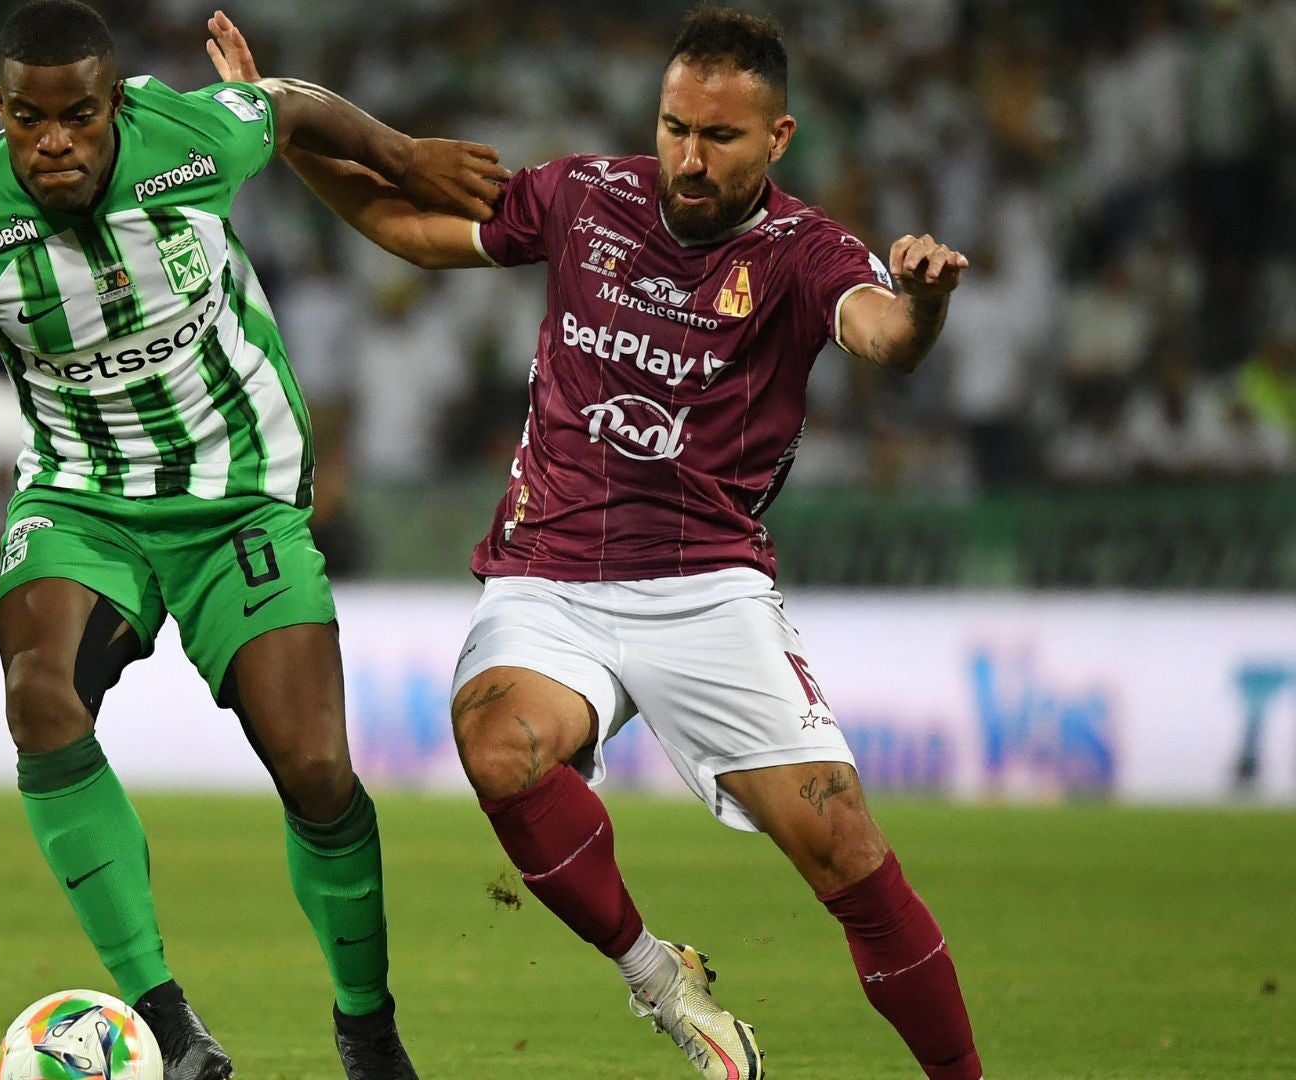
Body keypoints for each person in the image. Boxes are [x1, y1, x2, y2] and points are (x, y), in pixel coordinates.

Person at [207, 7, 982, 1079]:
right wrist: (283, 132)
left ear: (779, 139)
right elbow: (405, 229)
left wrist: (926, 306)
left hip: (707, 586)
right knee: (495, 741)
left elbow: (885, 336)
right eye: (674, 128)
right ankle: (661, 980)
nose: (690, 157)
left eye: (720, 138)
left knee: (844, 847)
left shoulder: (804, 252)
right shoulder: (585, 197)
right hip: (548, 577)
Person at [0, 4, 507, 1079]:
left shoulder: (191, 139)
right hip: (84, 498)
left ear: (114, 102)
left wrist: (401, 156)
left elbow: (291, 105)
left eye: (78, 114)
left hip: (242, 498)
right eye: (29, 118)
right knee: (38, 698)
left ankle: (367, 1028)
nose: (55, 141)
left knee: (316, 770)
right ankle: (172, 1031)